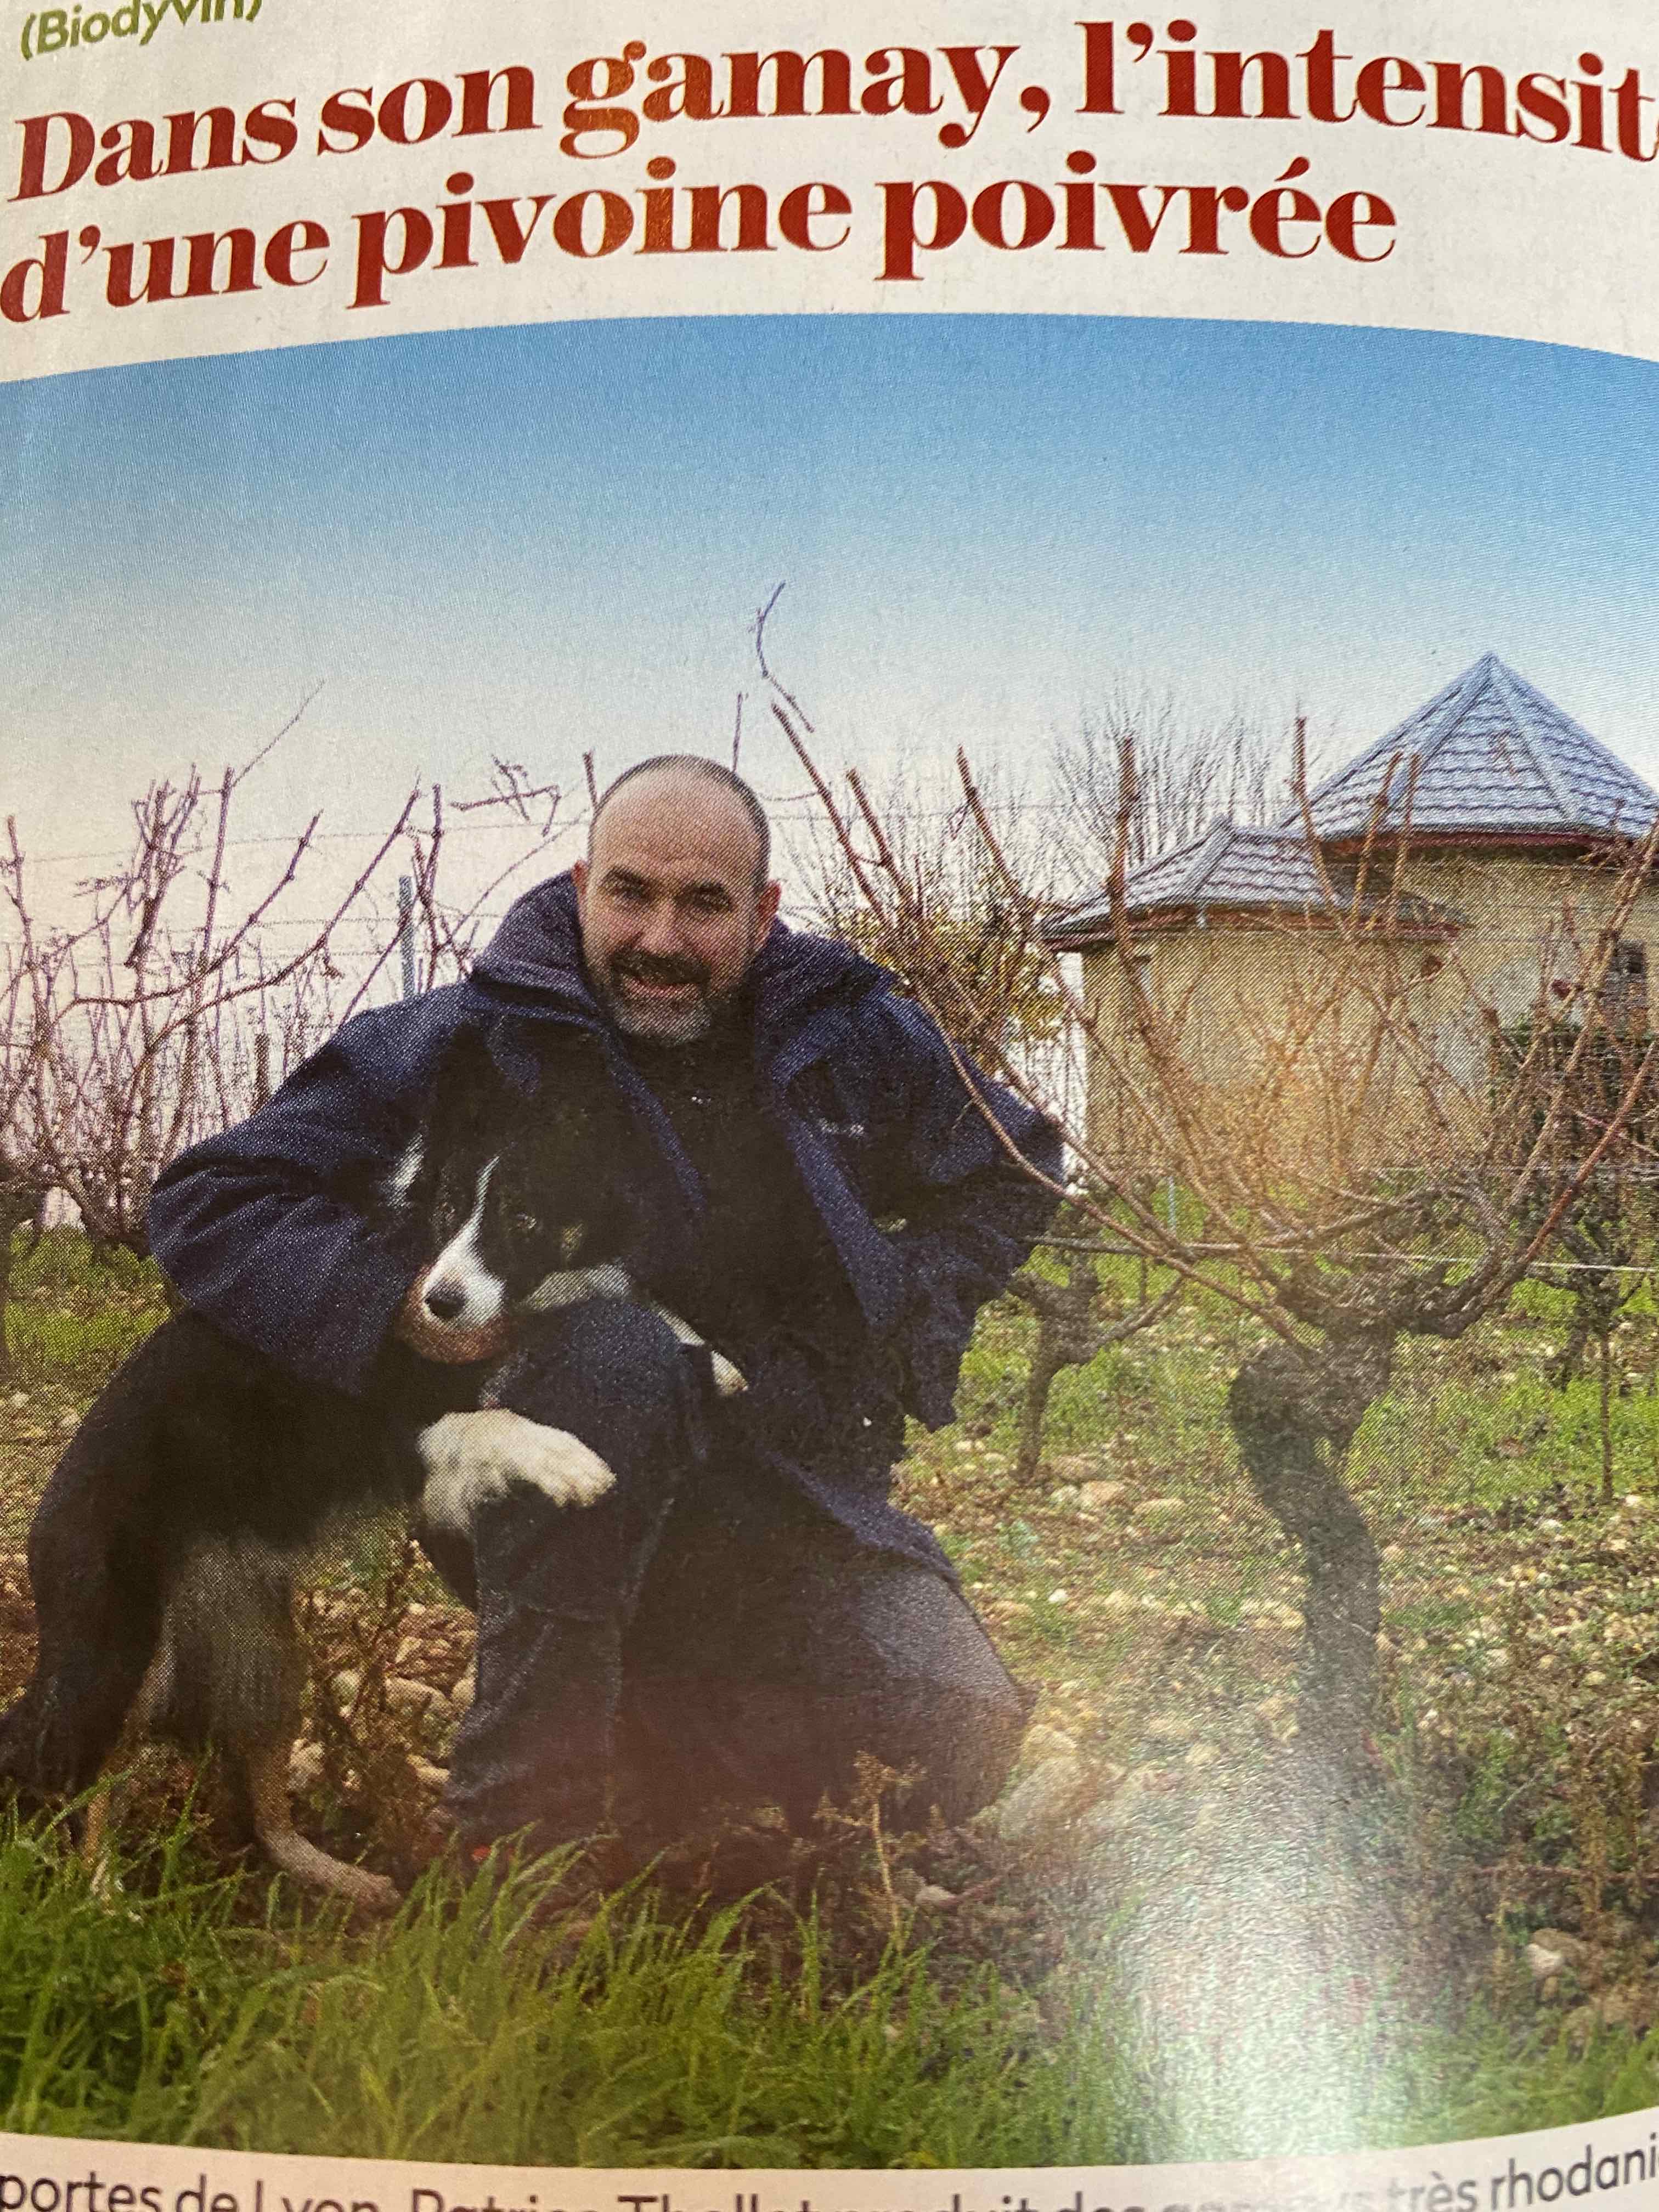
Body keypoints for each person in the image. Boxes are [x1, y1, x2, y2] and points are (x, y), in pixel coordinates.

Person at [147, 757, 1063, 1867]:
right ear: (583, 886)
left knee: (955, 1723)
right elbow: (213, 1197)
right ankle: (523, 1836)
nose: (662, 939)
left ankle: (644, 1759)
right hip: (546, 1456)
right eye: (630, 893)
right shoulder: (473, 1037)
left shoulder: (850, 1035)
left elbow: (1016, 1166)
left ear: (763, 915)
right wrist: (391, 1299)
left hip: (780, 1477)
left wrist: (901, 1319)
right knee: (616, 1353)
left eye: (705, 903)